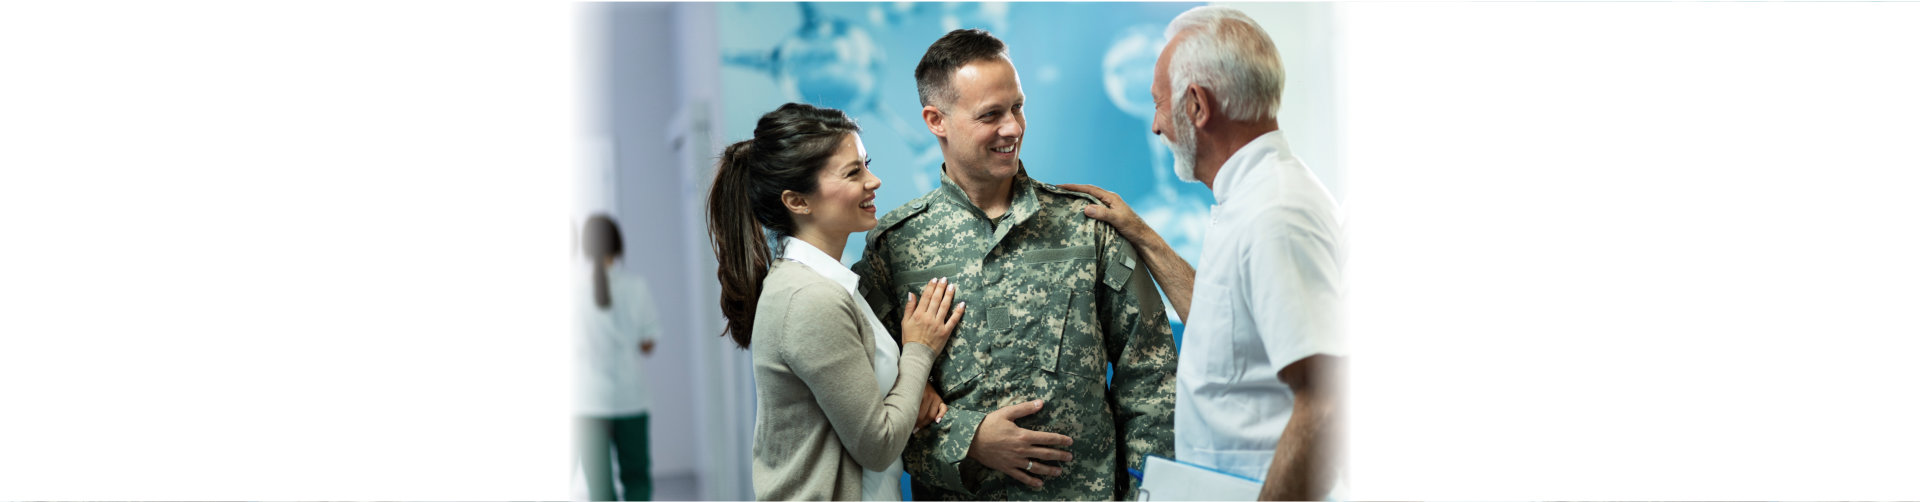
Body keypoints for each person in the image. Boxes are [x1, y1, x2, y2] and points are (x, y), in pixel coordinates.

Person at [853, 29, 1178, 501]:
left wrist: (1150, 496)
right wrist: (968, 440)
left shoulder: (1087, 225)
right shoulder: (895, 249)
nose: (1013, 128)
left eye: (1018, 107)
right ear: (935, 120)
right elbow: (868, 407)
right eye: (991, 115)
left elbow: (1150, 378)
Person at [1059, 6, 1347, 500]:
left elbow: (1328, 395)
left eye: (1158, 105)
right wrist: (1142, 234)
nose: (1155, 126)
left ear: (1196, 105)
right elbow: (1228, 322)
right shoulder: (1250, 200)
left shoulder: (1274, 213)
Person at [707, 102, 965, 500]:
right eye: (853, 172)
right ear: (797, 201)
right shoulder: (810, 298)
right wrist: (919, 351)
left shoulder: (829, 283)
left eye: (866, 164)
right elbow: (877, 444)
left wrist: (913, 388)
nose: (873, 181)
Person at [575, 213, 661, 501]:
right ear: (618, 246)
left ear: (585, 248)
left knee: (599, 488)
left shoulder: (572, 292)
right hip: (630, 398)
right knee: (636, 478)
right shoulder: (636, 287)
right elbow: (648, 343)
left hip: (586, 403)